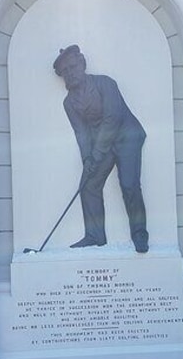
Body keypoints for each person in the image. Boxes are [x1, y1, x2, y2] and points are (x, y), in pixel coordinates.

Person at [53, 45, 149, 253]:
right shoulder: (69, 103)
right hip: (101, 146)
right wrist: (88, 159)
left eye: (72, 67)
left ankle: (140, 234)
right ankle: (95, 236)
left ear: (82, 64)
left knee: (129, 184)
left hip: (127, 137)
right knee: (88, 185)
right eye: (65, 72)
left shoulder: (106, 83)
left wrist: (96, 153)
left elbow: (112, 119)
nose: (70, 73)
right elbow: (82, 133)